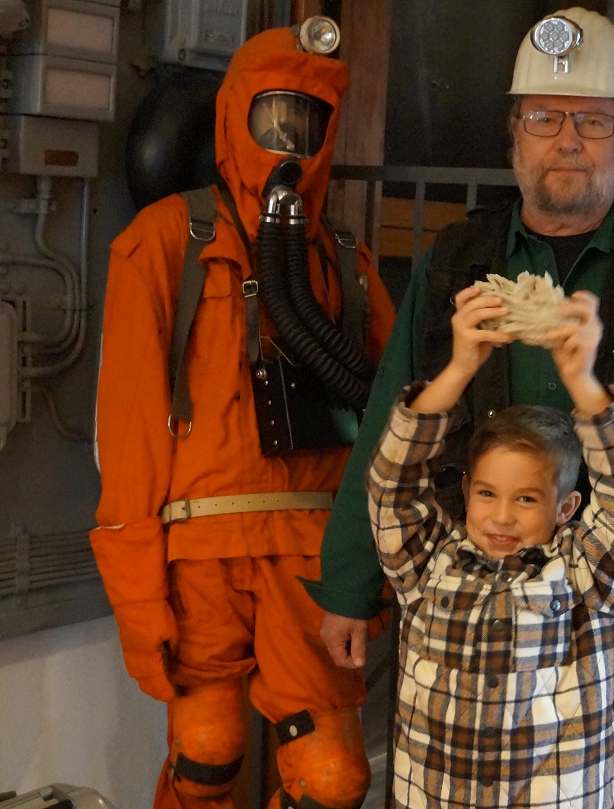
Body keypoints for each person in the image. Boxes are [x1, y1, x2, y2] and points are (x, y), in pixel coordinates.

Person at [304, 7, 614, 808]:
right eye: (545, 117)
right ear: (514, 135)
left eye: (593, 121)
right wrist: (353, 582)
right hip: (471, 632)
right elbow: (391, 448)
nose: (568, 139)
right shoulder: (455, 263)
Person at [91, 26, 396, 809]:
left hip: (313, 553)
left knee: (332, 780)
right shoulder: (163, 245)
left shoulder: (345, 261)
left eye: (308, 123)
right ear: (232, 119)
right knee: (207, 752)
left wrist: (374, 573)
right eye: (272, 120)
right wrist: (138, 596)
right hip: (199, 546)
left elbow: (396, 421)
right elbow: (126, 428)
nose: (289, 143)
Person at [368, 284, 614, 808]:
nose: (502, 516)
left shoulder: (586, 579)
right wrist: (458, 368)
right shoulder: (425, 565)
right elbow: (392, 482)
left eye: (526, 498)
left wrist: (581, 380)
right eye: (487, 493)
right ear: (466, 491)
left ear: (566, 509)